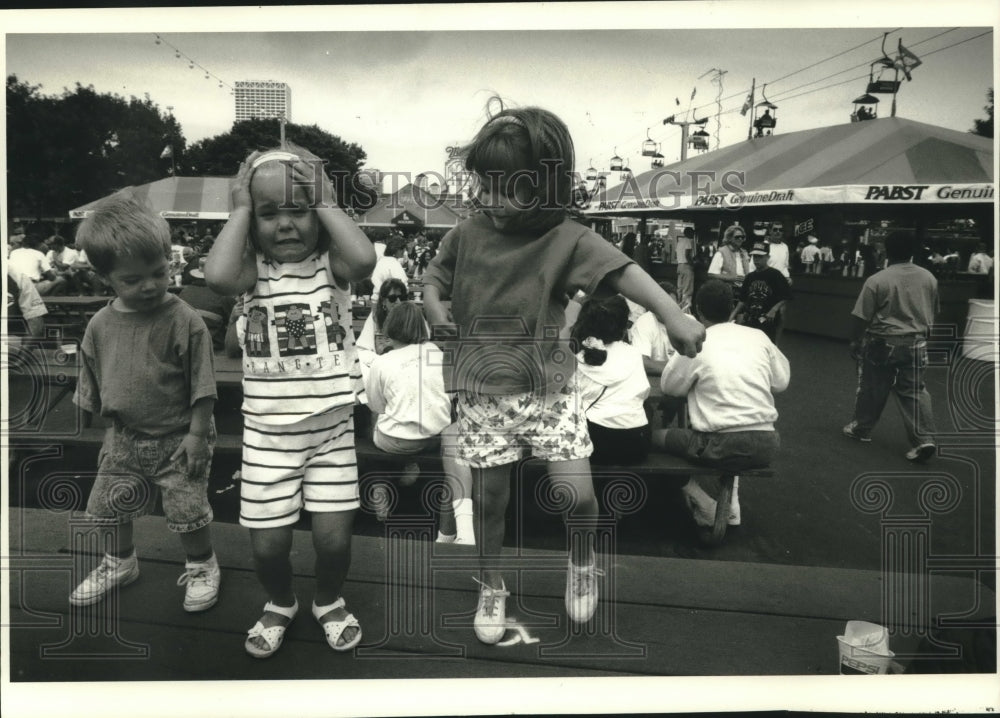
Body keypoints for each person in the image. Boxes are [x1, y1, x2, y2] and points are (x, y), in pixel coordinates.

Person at [420, 101, 704, 645]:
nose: (491, 197)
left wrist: (673, 314)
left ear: (546, 186)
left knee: (574, 494)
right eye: (485, 182)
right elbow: (434, 277)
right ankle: (492, 584)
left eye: (508, 186)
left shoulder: (568, 237)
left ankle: (581, 559)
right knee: (489, 500)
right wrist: (435, 307)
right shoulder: (467, 232)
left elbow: (624, 272)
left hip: (549, 389)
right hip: (482, 389)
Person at [205, 143, 376, 658]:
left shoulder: (331, 267)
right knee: (268, 545)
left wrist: (323, 196)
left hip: (330, 434)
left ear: (319, 216)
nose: (284, 223)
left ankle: (327, 598)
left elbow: (365, 257)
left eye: (298, 209)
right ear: (251, 221)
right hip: (267, 437)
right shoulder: (251, 274)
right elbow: (215, 277)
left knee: (334, 541)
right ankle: (281, 601)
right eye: (268, 212)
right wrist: (238, 208)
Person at [68, 192, 221, 614]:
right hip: (125, 434)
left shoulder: (183, 319)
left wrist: (196, 435)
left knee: (187, 508)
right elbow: (97, 382)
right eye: (132, 280)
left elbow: (203, 385)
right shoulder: (99, 324)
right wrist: (109, 433)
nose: (150, 285)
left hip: (179, 433)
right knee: (108, 503)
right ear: (106, 279)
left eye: (158, 272)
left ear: (169, 262)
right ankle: (120, 562)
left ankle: (202, 564)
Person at [654, 279, 790, 528]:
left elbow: (669, 387)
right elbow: (781, 382)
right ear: (731, 308)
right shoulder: (758, 336)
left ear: (697, 310)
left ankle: (702, 499)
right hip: (767, 443)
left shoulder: (697, 340)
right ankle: (730, 506)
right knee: (730, 440)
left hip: (718, 445)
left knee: (654, 439)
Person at [365, 301, 475, 544]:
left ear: (390, 328)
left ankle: (387, 477)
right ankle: (449, 532)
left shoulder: (382, 362)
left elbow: (376, 406)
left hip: (395, 441)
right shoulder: (438, 354)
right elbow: (452, 397)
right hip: (434, 438)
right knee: (447, 449)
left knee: (375, 420)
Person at [842, 230, 939, 462]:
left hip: (883, 342)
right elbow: (933, 312)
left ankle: (862, 429)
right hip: (916, 342)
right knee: (914, 390)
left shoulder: (877, 280)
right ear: (913, 252)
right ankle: (924, 439)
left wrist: (854, 341)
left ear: (887, 250)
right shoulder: (929, 278)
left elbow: (861, 316)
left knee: (873, 387)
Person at [571, 295, 650, 465]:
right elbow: (643, 393)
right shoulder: (634, 354)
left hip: (596, 440)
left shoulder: (581, 357)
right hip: (637, 443)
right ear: (623, 326)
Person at [355, 278, 413, 386]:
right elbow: (361, 350)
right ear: (384, 301)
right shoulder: (375, 318)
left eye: (402, 297)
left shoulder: (411, 317)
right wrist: (380, 363)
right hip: (381, 369)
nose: (398, 302)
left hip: (405, 369)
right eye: (392, 298)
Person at [733, 241, 793, 344]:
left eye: (760, 257)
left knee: (767, 345)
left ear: (767, 257)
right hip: (751, 319)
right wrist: (731, 316)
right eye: (754, 257)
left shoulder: (776, 275)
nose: (756, 260)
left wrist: (774, 309)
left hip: (768, 320)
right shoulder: (750, 277)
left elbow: (786, 295)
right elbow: (742, 300)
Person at [177, 258, 238, 351]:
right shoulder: (223, 296)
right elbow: (236, 321)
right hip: (214, 348)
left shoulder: (184, 292)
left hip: (188, 346)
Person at [369, 234, 409, 304]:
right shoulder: (394, 264)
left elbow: (374, 279)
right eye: (402, 248)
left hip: (376, 300)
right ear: (395, 249)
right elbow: (403, 285)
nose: (403, 251)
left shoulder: (381, 261)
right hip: (390, 302)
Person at [675, 226, 696, 310]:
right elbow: (687, 255)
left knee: (679, 289)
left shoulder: (680, 242)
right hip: (686, 266)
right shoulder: (688, 241)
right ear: (689, 233)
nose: (693, 235)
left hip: (679, 266)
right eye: (692, 233)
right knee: (687, 290)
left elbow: (677, 254)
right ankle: (685, 310)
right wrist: (693, 264)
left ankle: (678, 307)